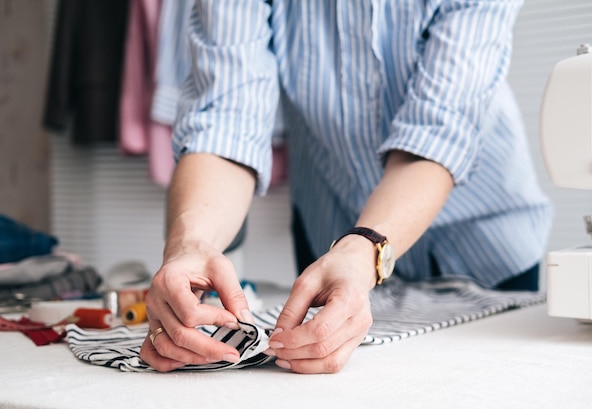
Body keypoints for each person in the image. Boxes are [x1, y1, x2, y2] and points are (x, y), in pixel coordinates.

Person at [139, 0, 553, 374]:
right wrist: (189, 246)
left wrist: (364, 249)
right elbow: (225, 119)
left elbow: (437, 131)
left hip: (485, 243)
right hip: (330, 231)